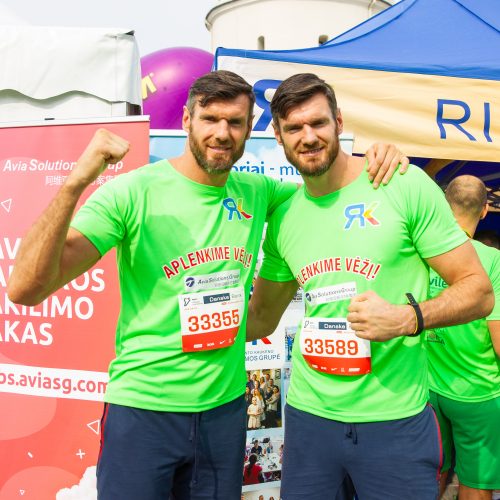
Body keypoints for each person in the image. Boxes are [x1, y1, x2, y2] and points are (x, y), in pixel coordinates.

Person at [7, 69, 408, 500]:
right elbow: (25, 289)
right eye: (210, 119)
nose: (222, 133)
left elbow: (326, 183)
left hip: (224, 413)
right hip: (146, 409)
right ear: (186, 120)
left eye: (235, 122)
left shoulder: (259, 192)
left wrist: (375, 160)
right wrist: (74, 184)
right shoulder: (131, 193)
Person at [246, 73, 494, 500]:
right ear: (279, 136)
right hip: (311, 421)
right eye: (294, 128)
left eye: (318, 123)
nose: (308, 137)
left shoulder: (401, 184)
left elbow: (479, 290)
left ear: (340, 122)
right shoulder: (285, 214)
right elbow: (262, 317)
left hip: (394, 422)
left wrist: (406, 318)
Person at [426, 175, 500, 500]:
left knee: (430, 474)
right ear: (485, 210)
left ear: (444, 202)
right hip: (478, 394)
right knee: (476, 484)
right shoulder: (493, 260)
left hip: (427, 389)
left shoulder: (423, 250)